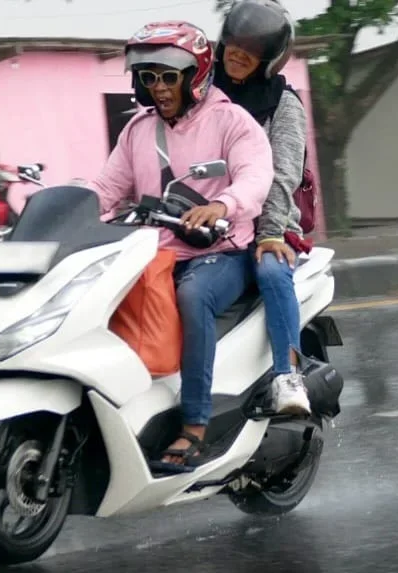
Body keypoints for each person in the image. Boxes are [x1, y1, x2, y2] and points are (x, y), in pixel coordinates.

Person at [87, 20, 274, 471]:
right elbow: (107, 188)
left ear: (195, 76)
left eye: (169, 76)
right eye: (149, 78)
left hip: (223, 252)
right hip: (157, 252)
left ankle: (194, 424)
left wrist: (223, 204)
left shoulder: (231, 121)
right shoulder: (137, 131)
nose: (159, 87)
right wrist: (62, 205)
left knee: (192, 297)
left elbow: (256, 176)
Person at [213, 0, 312, 416]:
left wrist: (270, 232)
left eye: (250, 50)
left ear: (269, 59)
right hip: (209, 221)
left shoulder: (283, 105)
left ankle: (287, 378)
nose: (238, 55)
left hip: (265, 223)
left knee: (271, 271)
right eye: (233, 44)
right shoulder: (204, 94)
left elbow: (282, 174)